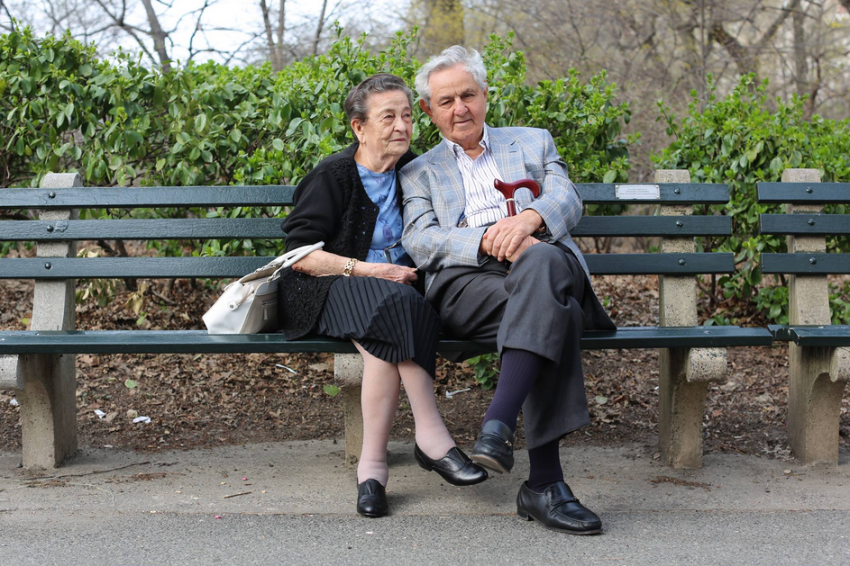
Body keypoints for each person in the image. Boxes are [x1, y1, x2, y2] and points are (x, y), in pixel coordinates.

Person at [400, 47, 616, 535]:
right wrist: (487, 242)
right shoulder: (420, 171)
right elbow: (420, 239)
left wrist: (530, 220)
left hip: (542, 265)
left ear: (486, 96)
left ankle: (499, 425)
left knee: (541, 264)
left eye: (469, 95)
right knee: (553, 313)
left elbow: (566, 195)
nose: (460, 109)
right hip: (468, 283)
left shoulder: (532, 143)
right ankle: (542, 484)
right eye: (447, 100)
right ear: (430, 111)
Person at [278, 73, 487, 519]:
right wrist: (372, 269)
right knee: (394, 302)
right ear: (359, 127)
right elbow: (299, 256)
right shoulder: (334, 174)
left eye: (407, 116)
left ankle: (372, 475)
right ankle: (433, 439)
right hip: (327, 288)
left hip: (396, 296)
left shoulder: (415, 169)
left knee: (382, 345)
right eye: (388, 117)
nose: (401, 126)